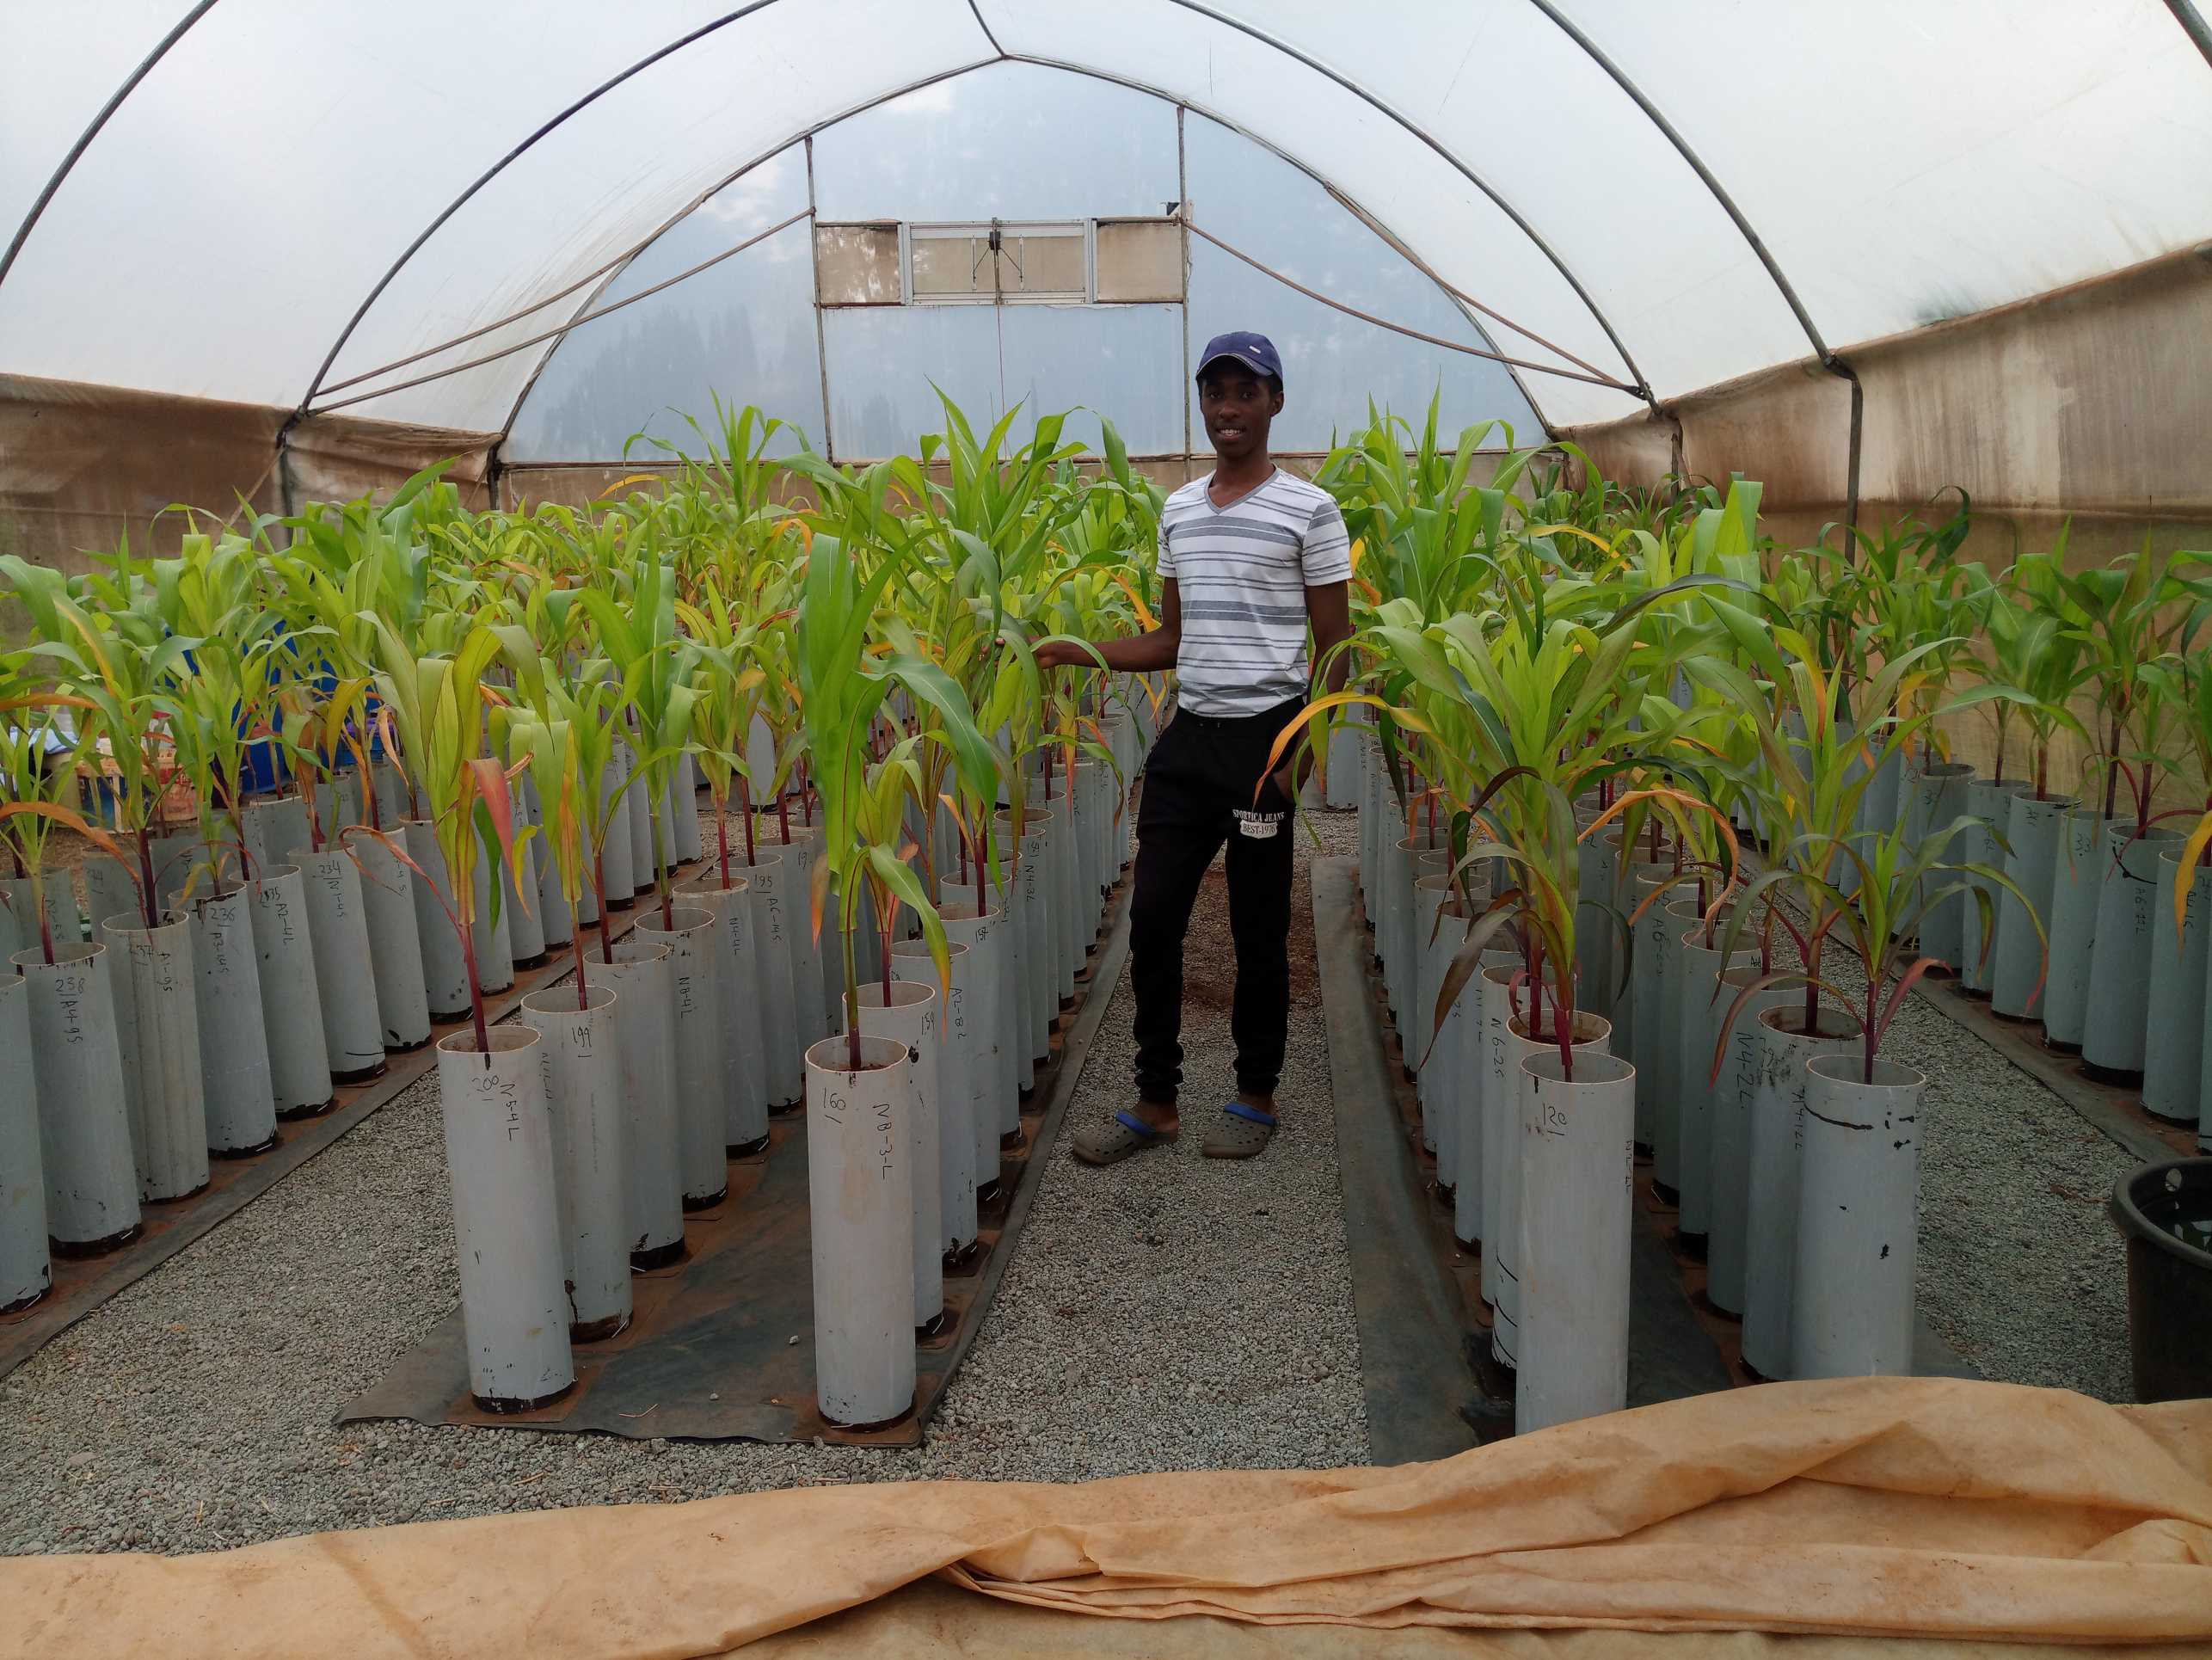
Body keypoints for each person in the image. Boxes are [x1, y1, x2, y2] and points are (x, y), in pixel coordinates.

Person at [1035, 332, 1352, 1164]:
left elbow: (1337, 651)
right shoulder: (1178, 511)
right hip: (1190, 740)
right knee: (1152, 918)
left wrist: (1300, 757)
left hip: (1264, 745)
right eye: (1215, 393)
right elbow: (1173, 638)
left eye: (1246, 392)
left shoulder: (1309, 511)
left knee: (1257, 928)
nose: (1228, 409)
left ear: (1275, 402)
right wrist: (1080, 649)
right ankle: (1155, 1098)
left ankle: (1255, 1092)